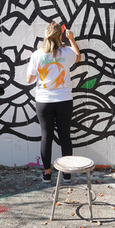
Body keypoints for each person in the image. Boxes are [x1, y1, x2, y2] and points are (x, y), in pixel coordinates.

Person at [26, 22, 81, 184]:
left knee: (46, 136)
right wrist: (72, 39)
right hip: (64, 100)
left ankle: (47, 174)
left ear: (46, 35)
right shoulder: (66, 52)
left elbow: (29, 79)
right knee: (65, 136)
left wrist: (42, 73)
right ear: (60, 36)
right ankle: (66, 174)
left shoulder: (37, 54)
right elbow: (78, 57)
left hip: (44, 102)